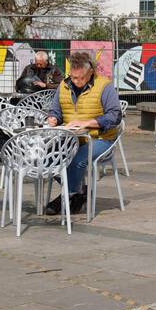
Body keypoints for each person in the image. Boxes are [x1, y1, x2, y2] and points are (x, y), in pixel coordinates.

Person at [44, 51, 122, 215]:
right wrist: (53, 119)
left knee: (78, 159)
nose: (77, 82)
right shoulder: (63, 86)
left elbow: (114, 116)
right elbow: (55, 111)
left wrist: (87, 123)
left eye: (82, 78)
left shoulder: (104, 86)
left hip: (102, 138)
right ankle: (79, 191)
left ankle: (68, 196)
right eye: (74, 77)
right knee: (47, 158)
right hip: (72, 138)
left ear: (91, 72)